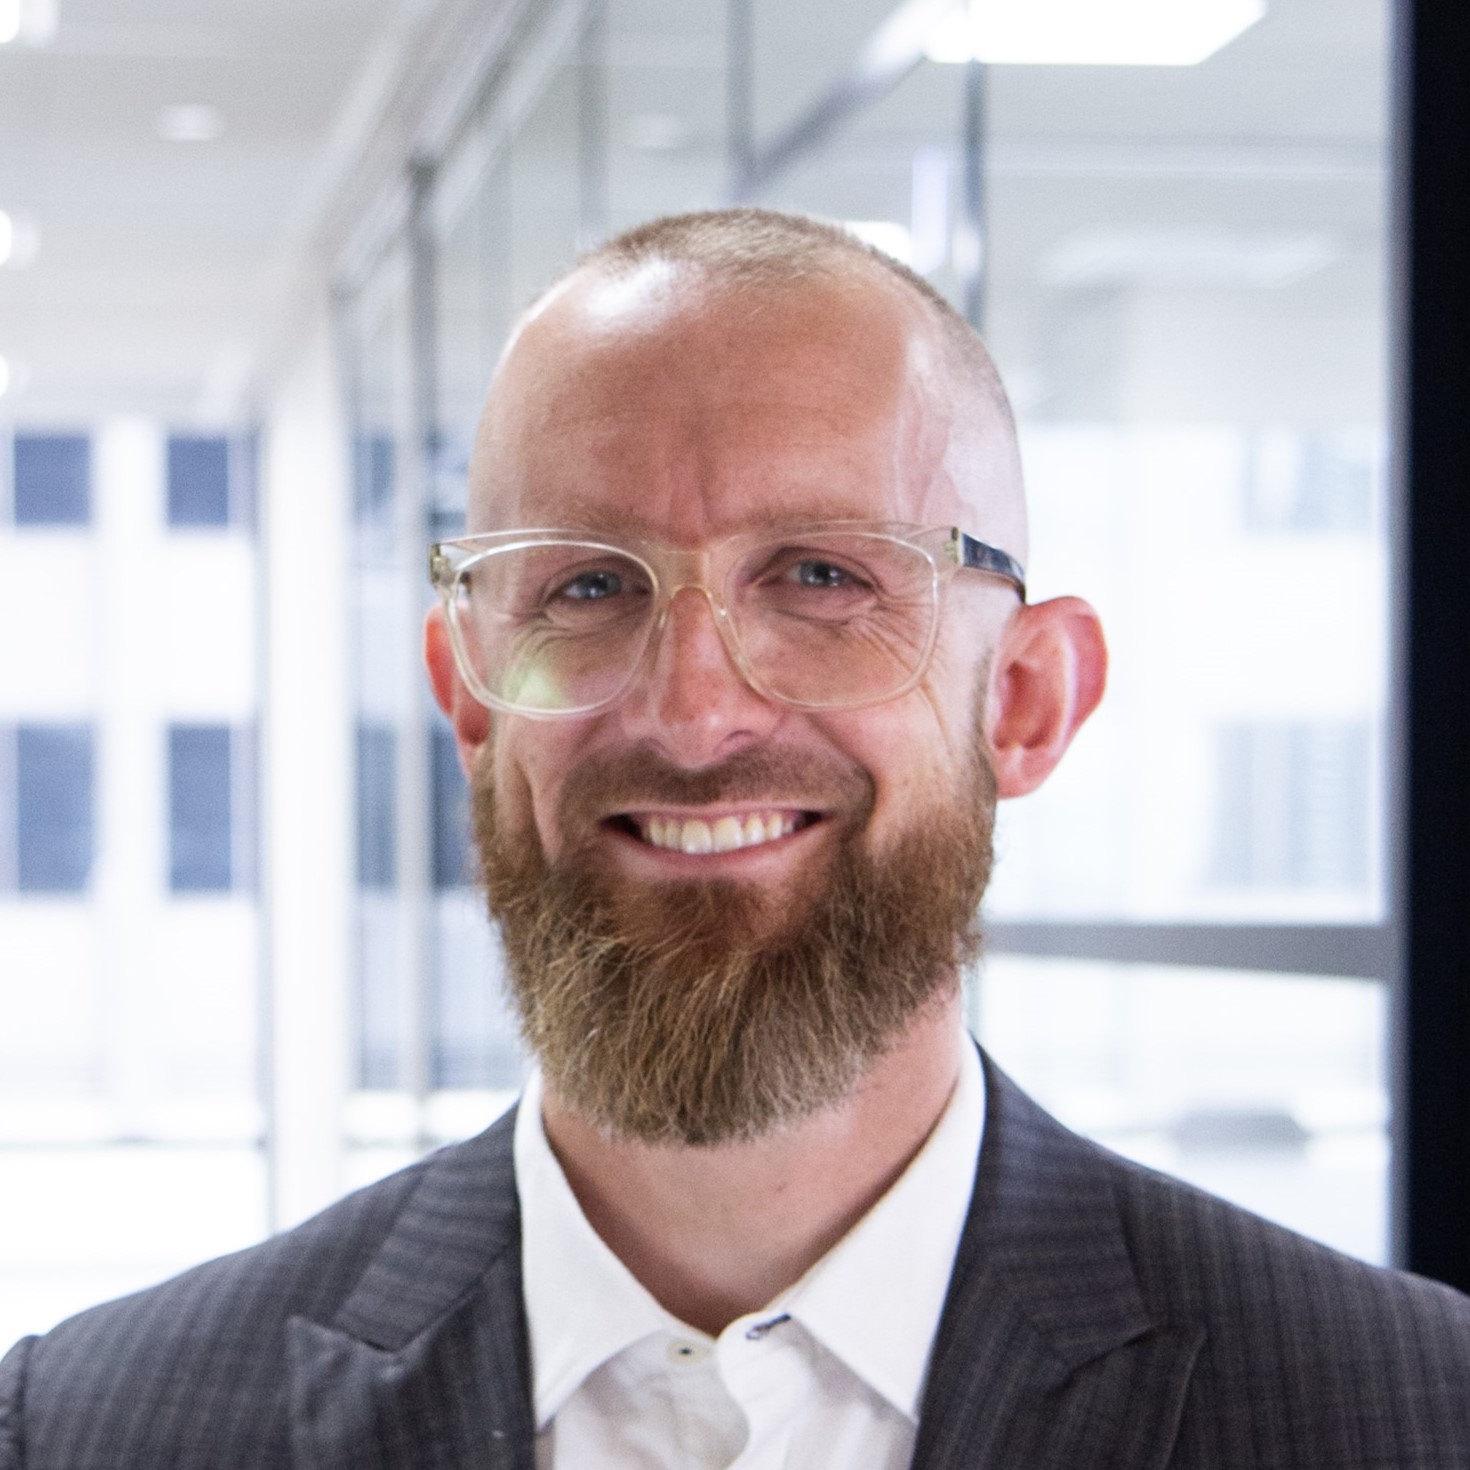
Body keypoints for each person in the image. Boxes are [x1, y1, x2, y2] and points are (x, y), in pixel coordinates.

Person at [2, 207, 1467, 1469]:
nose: (695, 711)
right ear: (472, 699)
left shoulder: (1411, 1414)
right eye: (586, 587)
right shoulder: (91, 1430)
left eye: (822, 576)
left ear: (1026, 701)